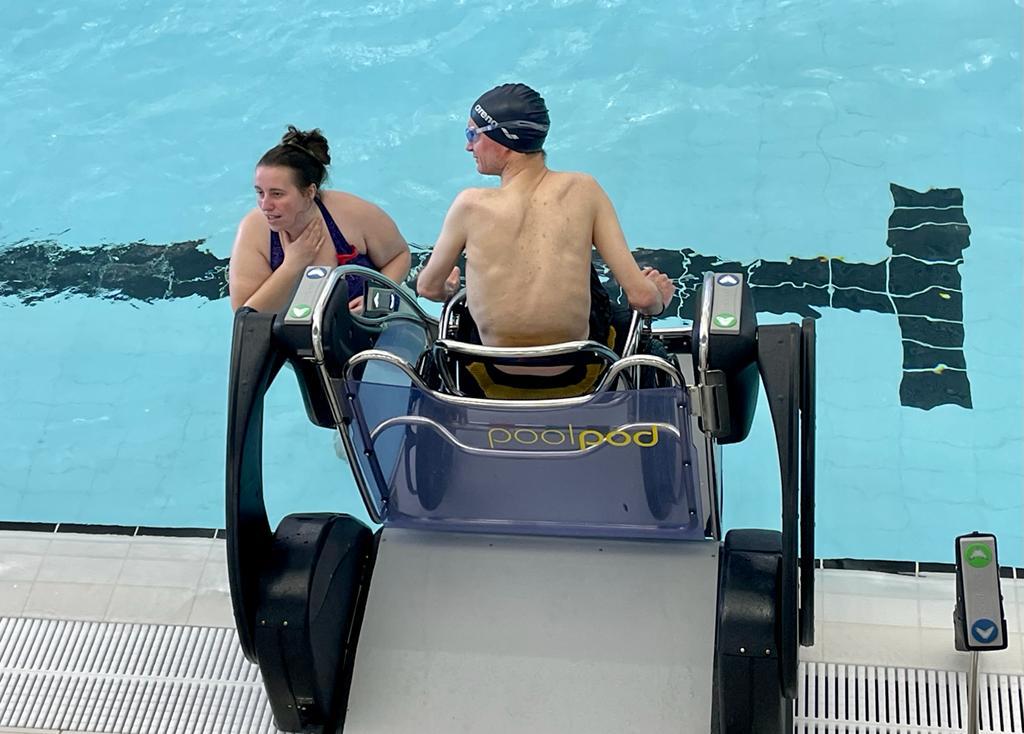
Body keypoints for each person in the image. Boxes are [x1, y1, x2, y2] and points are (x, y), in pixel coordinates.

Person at [416, 83, 675, 349]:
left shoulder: (469, 205)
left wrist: (449, 290)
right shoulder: (585, 191)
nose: (468, 147)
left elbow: (427, 288)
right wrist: (660, 298)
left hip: (490, 375)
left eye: (472, 135)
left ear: (503, 141)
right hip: (578, 373)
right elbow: (642, 299)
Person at [229, 126, 411, 313]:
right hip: (298, 336)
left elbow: (399, 256)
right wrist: (292, 265)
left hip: (371, 320)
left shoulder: (352, 212)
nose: (265, 205)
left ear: (309, 192)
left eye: (277, 194)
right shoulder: (254, 230)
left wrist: (375, 297)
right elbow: (246, 317)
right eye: (260, 192)